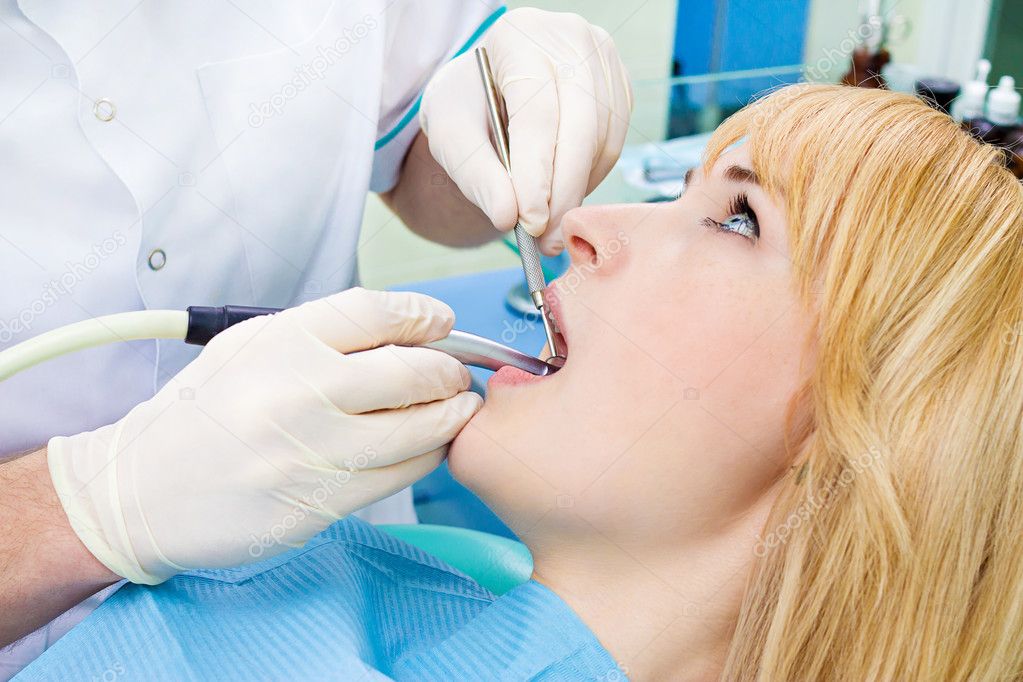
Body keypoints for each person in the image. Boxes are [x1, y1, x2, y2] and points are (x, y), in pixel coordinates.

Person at [17, 83, 1023, 680]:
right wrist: (85, 509)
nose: (587, 224)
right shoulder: (283, 593)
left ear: (880, 424)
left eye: (738, 217)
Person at [0, 1, 633, 675]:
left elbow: (429, 169)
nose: (601, 230)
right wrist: (86, 509)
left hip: (347, 559)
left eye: (736, 220)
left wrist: (503, 122)